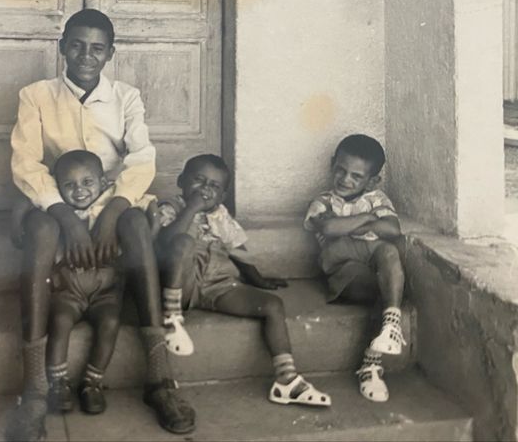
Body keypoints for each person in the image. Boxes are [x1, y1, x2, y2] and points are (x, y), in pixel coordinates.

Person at [6, 9, 195, 441]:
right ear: (62, 47)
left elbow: (142, 157)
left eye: (96, 48)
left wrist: (111, 211)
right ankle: (34, 391)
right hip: (59, 199)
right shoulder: (36, 95)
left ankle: (159, 379)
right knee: (40, 230)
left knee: (134, 223)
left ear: (110, 53)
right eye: (76, 45)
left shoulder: (126, 96)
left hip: (111, 199)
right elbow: (26, 163)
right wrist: (63, 216)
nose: (85, 56)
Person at [154, 154, 331, 408]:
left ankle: (287, 379)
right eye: (199, 181)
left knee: (272, 305)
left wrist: (257, 278)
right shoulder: (171, 207)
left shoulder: (221, 215)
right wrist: (191, 208)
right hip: (183, 284)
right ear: (182, 181)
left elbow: (237, 249)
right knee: (183, 242)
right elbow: (164, 243)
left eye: (214, 186)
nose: (205, 189)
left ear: (223, 195)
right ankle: (171, 316)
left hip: (218, 284)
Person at [44, 150, 155, 415]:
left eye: (87, 183)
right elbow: (29, 203)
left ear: (104, 183)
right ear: (58, 188)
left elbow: (148, 202)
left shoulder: (111, 207)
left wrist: (154, 223)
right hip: (69, 293)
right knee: (59, 321)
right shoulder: (61, 214)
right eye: (69, 185)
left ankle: (92, 382)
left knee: (111, 323)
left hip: (105, 294)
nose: (79, 191)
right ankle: (58, 383)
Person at [303, 134, 407, 403]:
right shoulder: (323, 201)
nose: (345, 180)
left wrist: (349, 227)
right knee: (383, 285)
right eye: (341, 170)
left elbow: (393, 229)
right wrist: (370, 219)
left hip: (370, 262)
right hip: (343, 271)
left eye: (356, 176)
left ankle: (390, 325)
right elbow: (327, 227)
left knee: (389, 251)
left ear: (372, 181)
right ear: (332, 164)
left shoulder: (377, 197)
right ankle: (372, 364)